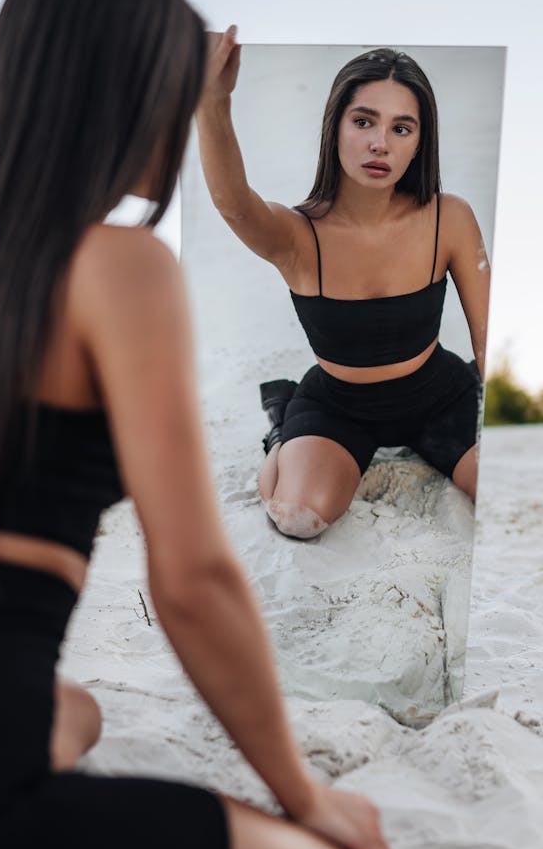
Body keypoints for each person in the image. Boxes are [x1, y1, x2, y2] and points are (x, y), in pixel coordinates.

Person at [0, 0, 393, 849]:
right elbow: (192, 579)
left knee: (78, 709)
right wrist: (304, 795)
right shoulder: (115, 267)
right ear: (125, 91)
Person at [197, 32, 490, 541]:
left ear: (421, 141)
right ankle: (282, 432)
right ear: (335, 128)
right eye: (364, 121)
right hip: (339, 405)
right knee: (299, 517)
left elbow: (490, 337)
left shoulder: (451, 218)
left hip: (441, 394)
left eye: (402, 128)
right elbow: (234, 203)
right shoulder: (296, 235)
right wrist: (212, 103)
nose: (381, 143)